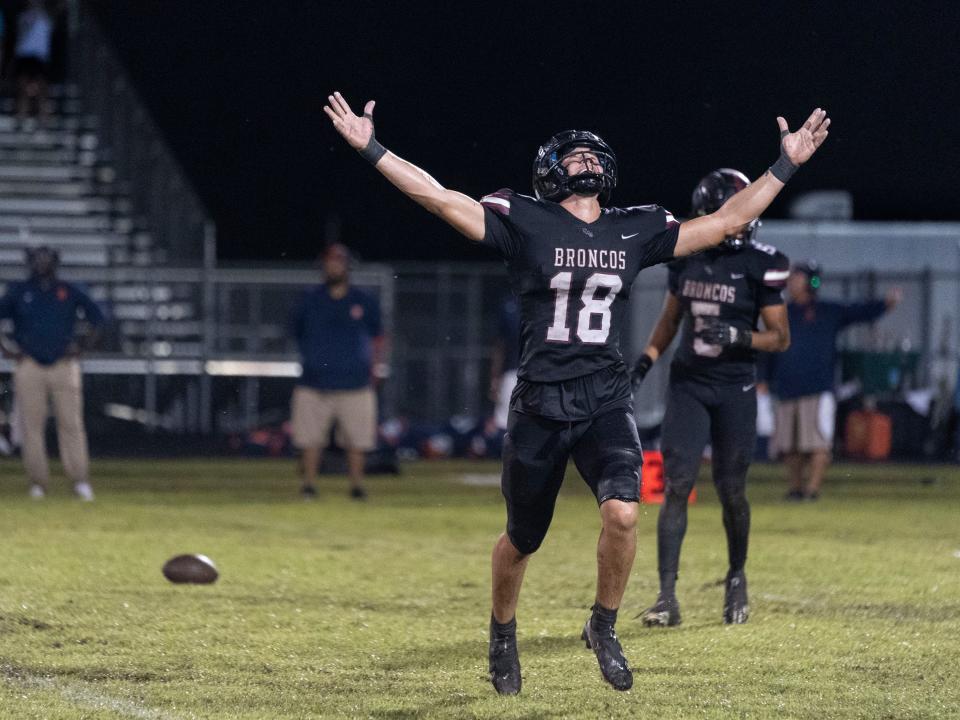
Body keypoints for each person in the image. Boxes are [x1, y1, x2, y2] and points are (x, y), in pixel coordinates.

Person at [323, 90, 829, 693]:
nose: (587, 159)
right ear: (550, 171)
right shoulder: (523, 218)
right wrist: (372, 148)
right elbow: (438, 198)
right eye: (576, 154)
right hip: (539, 402)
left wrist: (785, 165)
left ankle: (604, 624)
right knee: (521, 538)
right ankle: (502, 633)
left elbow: (724, 221)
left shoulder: (633, 227)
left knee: (622, 513)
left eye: (594, 153)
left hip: (605, 399)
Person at [631, 169, 791, 628]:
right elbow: (670, 321)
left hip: (735, 388)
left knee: (732, 490)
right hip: (689, 384)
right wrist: (645, 361)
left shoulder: (763, 263)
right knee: (676, 486)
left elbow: (779, 339)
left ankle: (736, 576)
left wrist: (742, 336)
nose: (741, 220)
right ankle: (666, 596)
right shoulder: (688, 259)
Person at [767, 261, 902, 500]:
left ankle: (812, 490)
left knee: (818, 443)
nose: (792, 282)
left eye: (797, 278)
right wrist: (766, 379)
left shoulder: (828, 311)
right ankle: (795, 489)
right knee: (790, 445)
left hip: (818, 389)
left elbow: (861, 311)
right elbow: (770, 348)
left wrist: (886, 303)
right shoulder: (782, 312)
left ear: (810, 283)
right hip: (787, 388)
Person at [0, 246, 105, 500]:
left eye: (46, 259)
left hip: (63, 364)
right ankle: (38, 482)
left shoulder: (68, 290)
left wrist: (81, 348)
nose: (42, 264)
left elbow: (98, 318)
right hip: (30, 364)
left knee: (71, 424)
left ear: (56, 263)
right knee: (30, 426)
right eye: (37, 259)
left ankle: (79, 479)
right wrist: (7, 350)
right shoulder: (19, 291)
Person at [290, 243, 386, 501]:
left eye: (339, 261)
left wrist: (374, 369)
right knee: (310, 440)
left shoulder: (363, 301)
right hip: (314, 382)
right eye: (330, 262)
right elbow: (296, 333)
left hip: (355, 382)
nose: (334, 266)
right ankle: (308, 486)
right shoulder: (309, 299)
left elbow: (378, 338)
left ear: (347, 266)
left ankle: (357, 487)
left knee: (358, 440)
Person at [13, 0, 53, 126]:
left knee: (42, 88)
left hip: (40, 56)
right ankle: (21, 116)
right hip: (25, 54)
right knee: (23, 87)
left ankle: (43, 118)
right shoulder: (23, 16)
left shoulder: (46, 17)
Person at [489, 295, 520, 432]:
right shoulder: (509, 306)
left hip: (541, 372)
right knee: (504, 423)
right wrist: (495, 377)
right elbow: (500, 345)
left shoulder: (545, 301)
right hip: (512, 371)